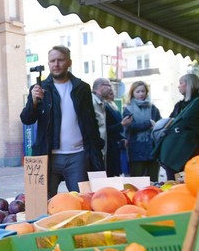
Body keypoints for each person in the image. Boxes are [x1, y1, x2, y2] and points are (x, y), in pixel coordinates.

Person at [20, 45, 104, 197]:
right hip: (47, 156)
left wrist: (96, 150)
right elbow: (26, 119)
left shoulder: (82, 88)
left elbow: (91, 121)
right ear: (48, 64)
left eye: (60, 60)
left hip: (77, 156)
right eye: (52, 61)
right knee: (43, 204)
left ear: (69, 62)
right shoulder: (39, 89)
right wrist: (33, 101)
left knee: (81, 201)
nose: (56, 64)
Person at [122, 81, 162, 182]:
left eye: (143, 91)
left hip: (152, 148)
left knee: (153, 182)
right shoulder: (128, 109)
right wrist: (148, 123)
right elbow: (131, 126)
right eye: (138, 91)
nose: (141, 94)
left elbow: (158, 124)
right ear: (132, 93)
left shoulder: (153, 108)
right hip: (136, 150)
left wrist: (153, 124)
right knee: (136, 182)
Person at [104, 89, 127, 177]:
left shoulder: (113, 106)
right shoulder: (105, 107)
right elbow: (106, 128)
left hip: (115, 144)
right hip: (109, 144)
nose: (111, 91)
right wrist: (121, 124)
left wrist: (122, 138)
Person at [91, 78, 112, 162]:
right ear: (101, 87)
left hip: (101, 147)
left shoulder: (102, 103)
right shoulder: (91, 102)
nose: (111, 89)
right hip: (96, 148)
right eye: (109, 86)